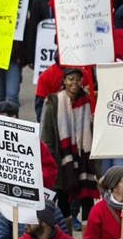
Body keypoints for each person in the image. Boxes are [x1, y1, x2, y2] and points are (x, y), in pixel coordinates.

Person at [40, 67, 99, 222]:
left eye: (78, 79)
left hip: (84, 158)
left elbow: (96, 130)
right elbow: (46, 133)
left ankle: (88, 232)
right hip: (63, 159)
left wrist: (95, 121)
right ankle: (66, 235)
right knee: (64, 199)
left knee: (88, 198)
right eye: (71, 78)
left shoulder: (88, 100)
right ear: (64, 81)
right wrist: (51, 158)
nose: (75, 82)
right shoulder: (54, 102)